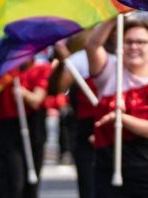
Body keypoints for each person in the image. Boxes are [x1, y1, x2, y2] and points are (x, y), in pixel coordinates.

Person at [85, 17, 148, 197]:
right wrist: (114, 16)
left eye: (141, 42)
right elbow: (92, 45)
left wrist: (121, 119)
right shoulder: (109, 73)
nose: (134, 47)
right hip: (109, 169)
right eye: (128, 42)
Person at [0, 57, 51, 198]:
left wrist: (23, 94)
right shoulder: (1, 69)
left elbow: (36, 100)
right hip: (5, 130)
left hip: (33, 129)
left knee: (30, 183)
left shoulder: (41, 68)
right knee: (12, 182)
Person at [50, 38, 97, 198]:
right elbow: (58, 88)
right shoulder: (78, 59)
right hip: (86, 127)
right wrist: (63, 63)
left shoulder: (130, 55)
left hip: (125, 133)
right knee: (89, 186)